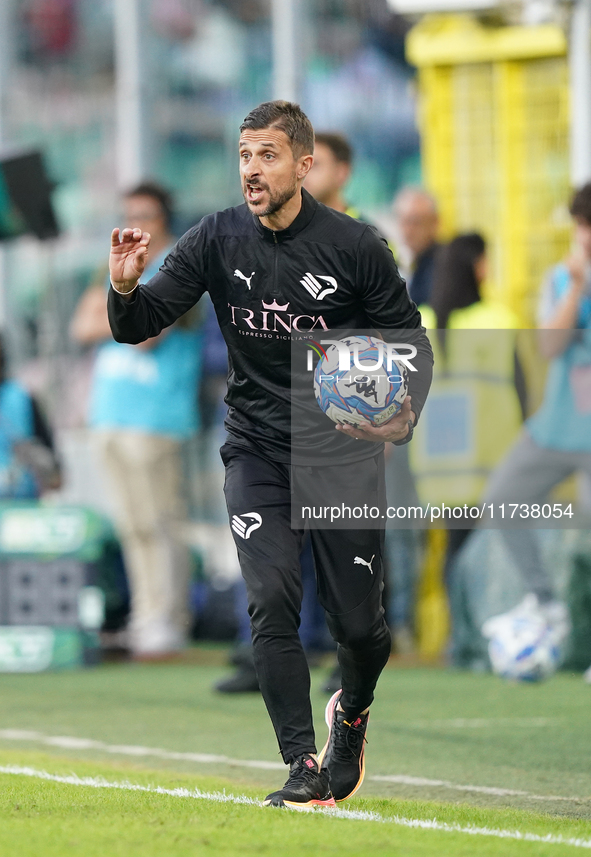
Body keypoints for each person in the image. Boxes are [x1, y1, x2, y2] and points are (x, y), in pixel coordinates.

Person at [107, 101, 433, 808]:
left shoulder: (355, 246)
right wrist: (126, 283)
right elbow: (137, 324)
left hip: (341, 452)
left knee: (358, 625)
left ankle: (350, 713)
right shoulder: (216, 237)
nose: (251, 170)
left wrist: (397, 414)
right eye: (244, 155)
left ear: (304, 164)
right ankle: (301, 762)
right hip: (254, 448)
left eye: (267, 156)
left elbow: (411, 345)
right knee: (271, 600)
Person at [70, 181, 203, 660]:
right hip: (110, 410)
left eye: (145, 212)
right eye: (128, 212)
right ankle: (145, 615)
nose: (135, 221)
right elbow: (81, 324)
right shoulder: (111, 261)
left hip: (157, 416)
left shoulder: (180, 265)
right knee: (130, 524)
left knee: (161, 521)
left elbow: (147, 335)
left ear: (164, 216)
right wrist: (121, 318)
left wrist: (118, 315)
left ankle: (170, 618)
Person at [478, 184, 591, 662]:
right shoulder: (561, 279)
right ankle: (546, 603)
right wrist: (578, 286)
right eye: (581, 226)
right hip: (555, 427)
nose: (584, 235)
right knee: (500, 499)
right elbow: (549, 348)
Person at [392, 186, 439, 307]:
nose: (408, 231)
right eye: (404, 222)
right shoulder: (399, 263)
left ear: (434, 222)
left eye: (415, 222)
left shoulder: (445, 265)